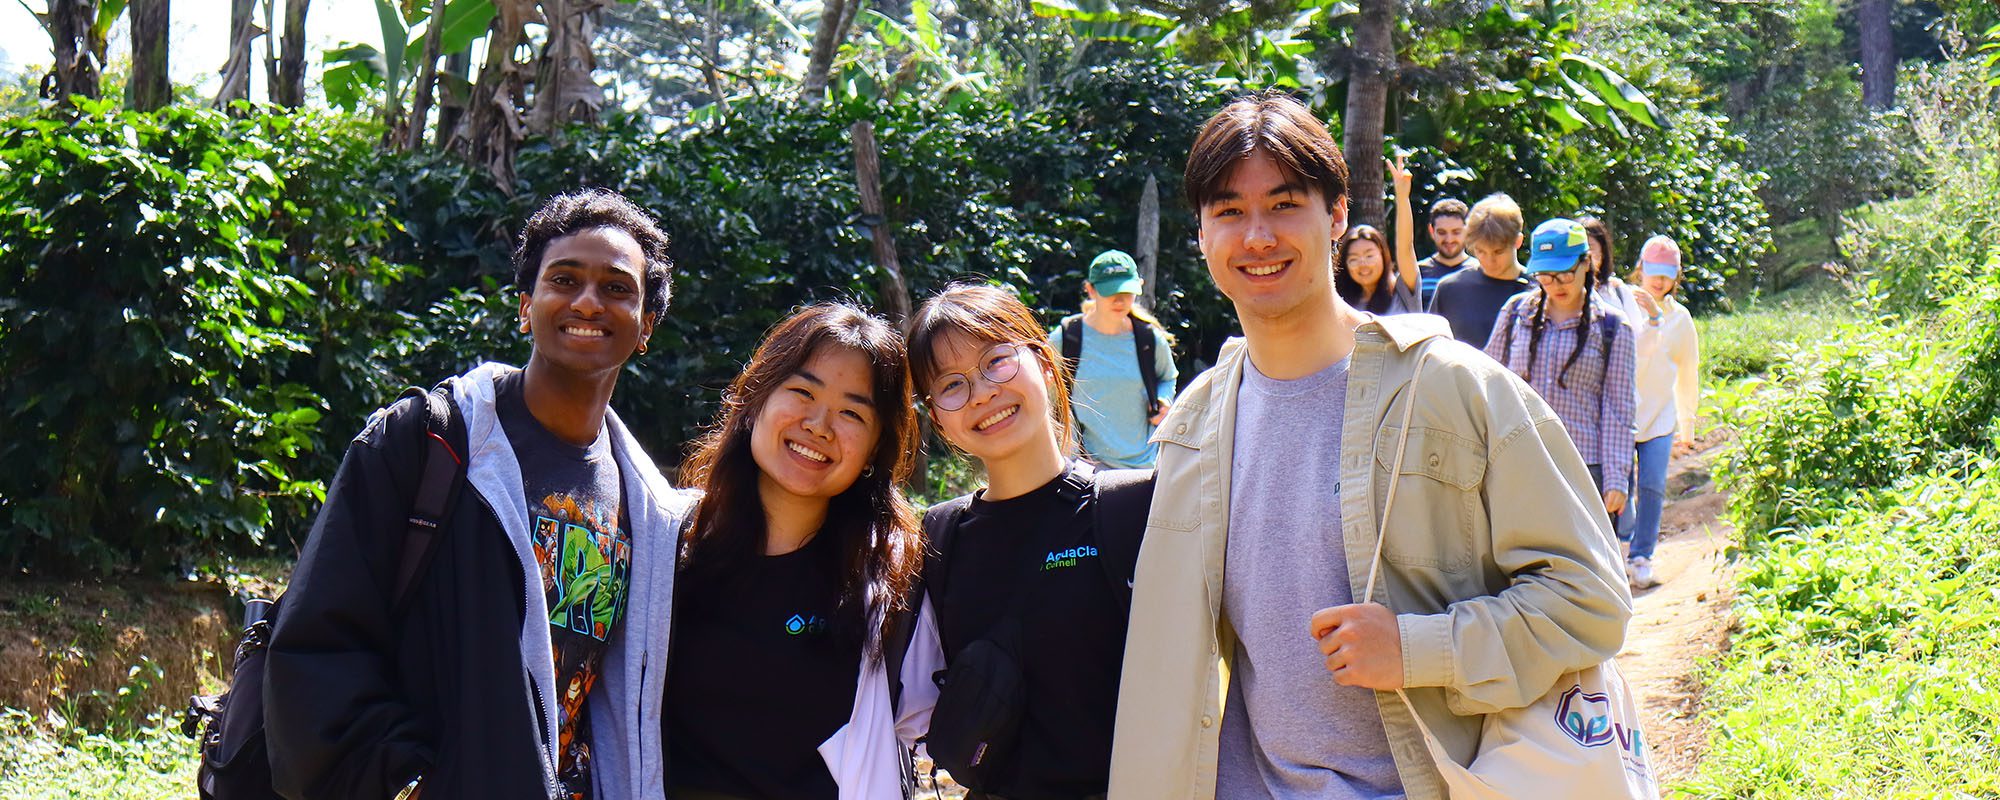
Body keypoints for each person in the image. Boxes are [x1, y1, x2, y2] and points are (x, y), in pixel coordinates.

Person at [1107, 92, 1631, 799]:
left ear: (1339, 216)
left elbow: (1591, 600)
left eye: (1285, 204)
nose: (1257, 236)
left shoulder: (1457, 390)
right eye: (1229, 212)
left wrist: (1417, 649)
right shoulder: (1197, 426)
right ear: (1200, 234)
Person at [265, 188, 686, 800]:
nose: (588, 301)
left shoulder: (649, 510)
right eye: (564, 279)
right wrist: (411, 785)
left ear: (646, 325)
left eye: (618, 288)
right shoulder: (427, 443)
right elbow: (316, 646)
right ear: (526, 307)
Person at [663, 303, 933, 800]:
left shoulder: (892, 582)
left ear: (875, 447)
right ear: (754, 400)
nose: (819, 425)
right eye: (802, 392)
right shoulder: (666, 545)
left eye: (852, 412)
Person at [907, 283, 1154, 800]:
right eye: (952, 385)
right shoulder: (935, 538)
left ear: (1043, 362)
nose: (982, 393)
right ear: (940, 422)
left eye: (997, 361)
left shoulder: (1132, 507)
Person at [1484, 218, 1638, 533]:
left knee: (1584, 571)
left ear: (1587, 263)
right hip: (1521, 463)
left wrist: (1617, 478)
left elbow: (1618, 409)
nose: (1556, 285)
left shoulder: (1612, 327)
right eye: (1546, 276)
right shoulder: (1517, 313)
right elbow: (1486, 382)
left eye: (1565, 274)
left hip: (1583, 468)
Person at [1620, 235, 1701, 590]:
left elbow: (1688, 373)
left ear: (1676, 277)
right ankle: (1616, 553)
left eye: (1667, 275)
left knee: (1652, 486)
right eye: (1653, 272)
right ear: (1641, 269)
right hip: (1620, 415)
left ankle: (1642, 557)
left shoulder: (1680, 319)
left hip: (1661, 418)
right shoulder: (1620, 302)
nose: (1659, 281)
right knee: (1618, 488)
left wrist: (1688, 425)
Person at [1051, 250, 1180, 468]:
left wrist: (1163, 400)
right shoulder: (1066, 339)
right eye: (1111, 292)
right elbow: (1045, 397)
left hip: (1147, 465)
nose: (1120, 300)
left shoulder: (1149, 339)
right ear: (1090, 290)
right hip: (1086, 467)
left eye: (1127, 292)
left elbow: (1168, 378)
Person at [1427, 192, 1531, 348]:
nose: (1490, 261)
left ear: (1518, 241)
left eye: (1498, 251)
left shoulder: (1537, 291)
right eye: (1480, 251)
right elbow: (1430, 348)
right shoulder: (1449, 289)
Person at [1335, 154, 1421, 315]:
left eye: (1369, 255)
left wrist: (1402, 198)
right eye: (1353, 259)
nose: (1363, 263)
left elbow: (1405, 248)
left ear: (1383, 256)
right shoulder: (1342, 304)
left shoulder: (1402, 292)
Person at [1415, 198, 1479, 309]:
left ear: (1467, 230)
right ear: (1431, 231)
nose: (1449, 239)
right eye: (1442, 232)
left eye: (1456, 232)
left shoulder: (1480, 271)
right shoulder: (1417, 272)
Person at [1580, 216, 1644, 327]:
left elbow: (1637, 336)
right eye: (1579, 248)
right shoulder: (1559, 292)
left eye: (1590, 247)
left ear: (1603, 251)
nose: (1585, 255)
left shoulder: (1618, 292)